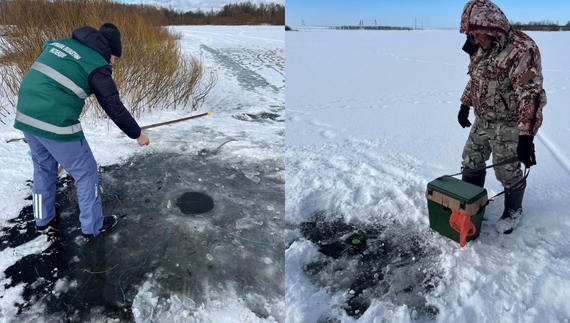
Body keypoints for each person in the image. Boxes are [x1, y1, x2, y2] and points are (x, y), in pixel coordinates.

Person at [14, 23, 150, 238]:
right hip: (56, 121)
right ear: (109, 52)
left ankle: (43, 218)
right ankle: (93, 226)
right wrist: (137, 134)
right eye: (115, 59)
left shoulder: (59, 44)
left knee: (43, 169)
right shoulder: (96, 64)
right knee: (86, 174)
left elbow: (48, 54)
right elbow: (113, 106)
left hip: (26, 115)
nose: (113, 64)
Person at [457, 0, 546, 234]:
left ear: (492, 29)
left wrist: (526, 136)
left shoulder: (522, 49)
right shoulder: (479, 46)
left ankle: (514, 210)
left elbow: (531, 94)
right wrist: (465, 104)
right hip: (483, 117)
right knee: (471, 159)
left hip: (508, 121)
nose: (475, 41)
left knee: (506, 170)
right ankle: (471, 205)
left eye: (478, 35)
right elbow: (476, 78)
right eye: (471, 35)